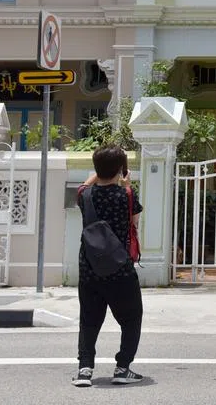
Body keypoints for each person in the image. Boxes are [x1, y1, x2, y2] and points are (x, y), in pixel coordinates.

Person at [72, 144, 144, 388]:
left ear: (96, 168)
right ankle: (122, 368)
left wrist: (99, 172)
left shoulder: (85, 196)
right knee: (131, 318)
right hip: (119, 269)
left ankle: (85, 370)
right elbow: (134, 222)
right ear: (121, 169)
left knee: (89, 320)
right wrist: (125, 182)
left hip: (89, 269)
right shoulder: (127, 195)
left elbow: (84, 186)